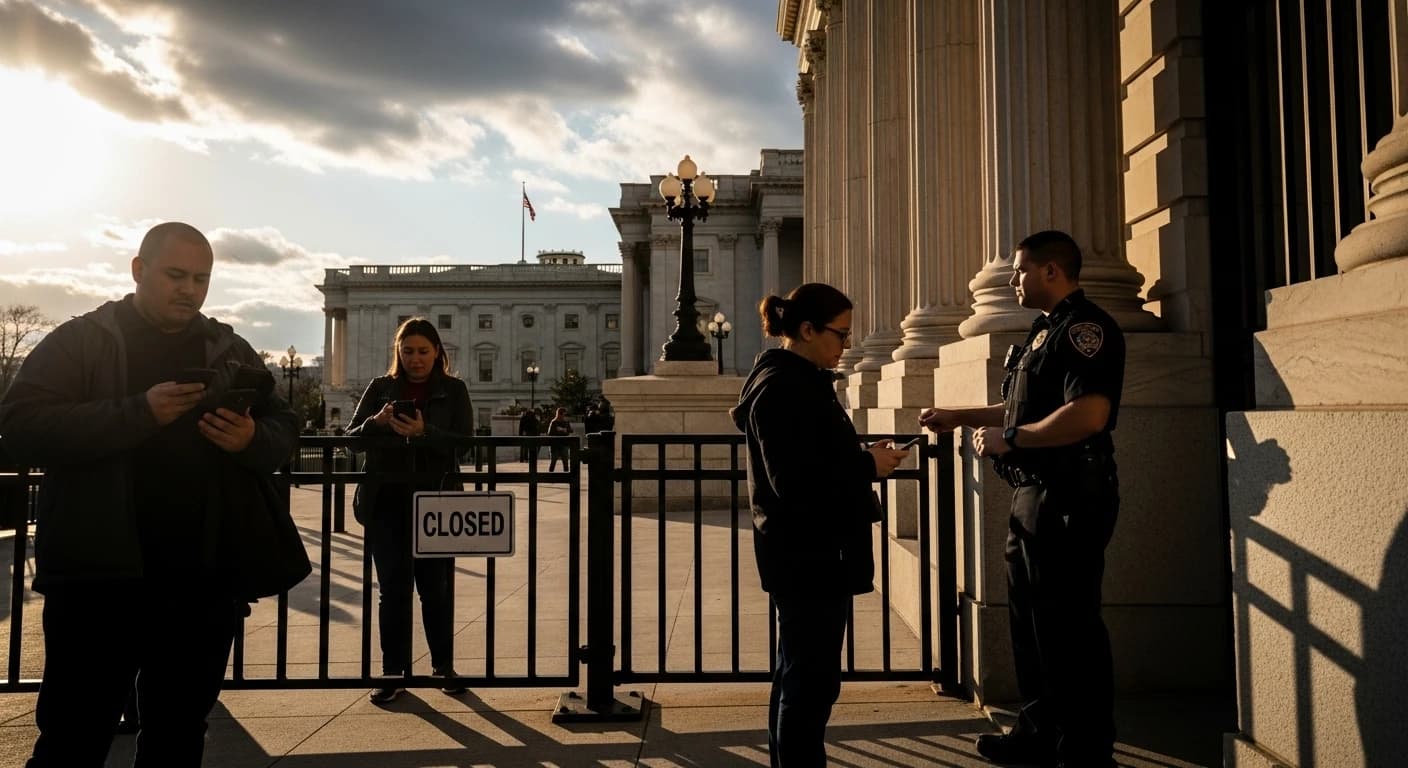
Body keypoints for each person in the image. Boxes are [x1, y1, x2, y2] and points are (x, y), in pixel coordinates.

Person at [0, 222, 299, 767]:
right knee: (74, 735)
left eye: (202, 279)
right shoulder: (81, 340)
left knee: (179, 734)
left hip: (201, 579)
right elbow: (20, 426)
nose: (190, 289)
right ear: (139, 270)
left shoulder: (227, 345)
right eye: (176, 275)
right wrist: (139, 412)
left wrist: (255, 438)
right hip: (99, 579)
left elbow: (285, 425)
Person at [919, 230, 1125, 768]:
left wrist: (1016, 440)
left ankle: (1086, 752)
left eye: (1020, 270)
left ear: (1052, 271)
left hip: (1071, 498)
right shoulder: (1043, 331)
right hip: (1035, 495)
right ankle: (1038, 735)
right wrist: (958, 417)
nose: (1012, 279)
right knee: (1032, 625)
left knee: (1071, 629)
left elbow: (1090, 413)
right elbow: (1018, 411)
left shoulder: (1086, 330)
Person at [730, 283, 910, 767]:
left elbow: (809, 460)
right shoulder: (785, 386)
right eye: (841, 334)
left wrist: (863, 456)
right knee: (810, 682)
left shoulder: (795, 378)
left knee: (800, 673)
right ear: (806, 330)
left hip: (808, 551)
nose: (846, 345)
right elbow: (792, 480)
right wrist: (865, 466)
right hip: (808, 553)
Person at [346, 317, 473, 704]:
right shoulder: (381, 388)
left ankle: (443, 667)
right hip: (387, 502)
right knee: (393, 591)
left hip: (436, 502)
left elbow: (465, 444)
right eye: (408, 351)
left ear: (437, 352)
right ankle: (393, 670)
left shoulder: (453, 391)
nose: (415, 359)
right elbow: (350, 441)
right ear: (397, 353)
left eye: (423, 351)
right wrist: (376, 422)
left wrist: (425, 434)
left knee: (435, 590)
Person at [546, 406, 573, 471]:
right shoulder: (554, 422)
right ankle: (550, 477)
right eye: (563, 414)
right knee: (553, 462)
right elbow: (550, 433)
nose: (563, 416)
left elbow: (571, 430)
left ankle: (566, 477)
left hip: (563, 444)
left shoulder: (565, 422)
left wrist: (564, 430)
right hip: (555, 445)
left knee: (565, 462)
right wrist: (558, 430)